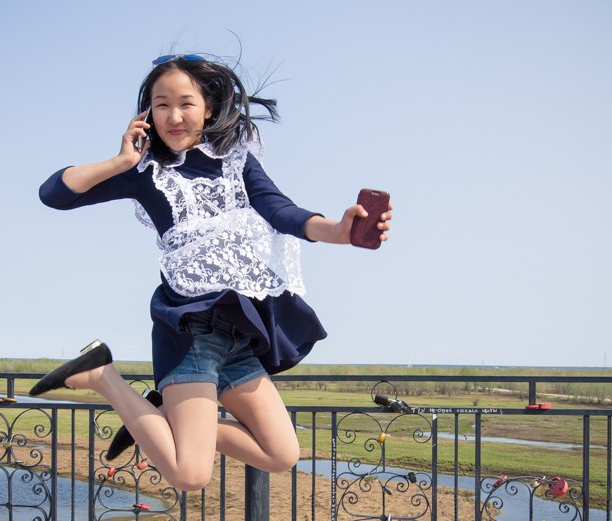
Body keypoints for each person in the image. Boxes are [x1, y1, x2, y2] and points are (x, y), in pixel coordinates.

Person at [32, 54, 391, 491]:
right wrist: (119, 162)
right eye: (161, 105)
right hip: (190, 332)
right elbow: (54, 194)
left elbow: (281, 211)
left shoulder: (237, 162)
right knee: (190, 475)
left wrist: (338, 231)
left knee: (282, 453)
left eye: (186, 103)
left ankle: (162, 419)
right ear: (147, 114)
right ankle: (101, 376)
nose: (174, 116)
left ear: (208, 109)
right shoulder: (145, 172)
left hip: (237, 334)